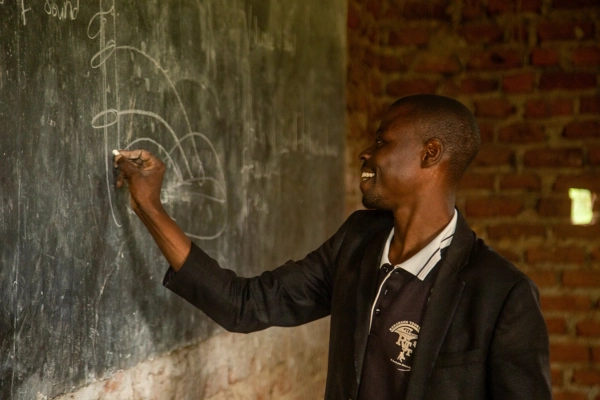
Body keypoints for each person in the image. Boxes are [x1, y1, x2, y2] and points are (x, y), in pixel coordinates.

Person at [114, 94, 551, 400]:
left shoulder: (501, 294)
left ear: (430, 154)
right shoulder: (358, 243)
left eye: (382, 141)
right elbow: (242, 305)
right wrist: (149, 206)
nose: (367, 152)